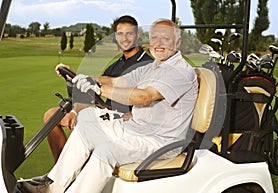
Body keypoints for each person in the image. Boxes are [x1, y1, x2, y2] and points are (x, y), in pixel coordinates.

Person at [23, 18, 198, 193]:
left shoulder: (181, 71)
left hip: (159, 141)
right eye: (155, 38)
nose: (158, 43)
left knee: (105, 151)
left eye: (165, 39)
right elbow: (118, 81)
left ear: (178, 42)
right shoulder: (153, 67)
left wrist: (99, 89)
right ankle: (53, 186)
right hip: (136, 129)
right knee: (87, 118)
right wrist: (84, 78)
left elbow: (145, 96)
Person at [44, 15, 153, 163]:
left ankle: (66, 173)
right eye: (120, 34)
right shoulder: (117, 65)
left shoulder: (147, 65)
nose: (125, 38)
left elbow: (146, 102)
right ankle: (61, 169)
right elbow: (93, 92)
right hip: (107, 113)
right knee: (51, 115)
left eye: (129, 33)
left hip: (127, 123)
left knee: (85, 124)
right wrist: (75, 110)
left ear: (137, 35)